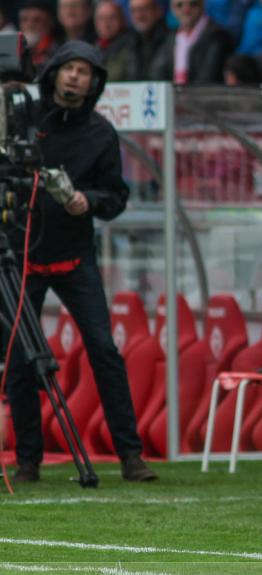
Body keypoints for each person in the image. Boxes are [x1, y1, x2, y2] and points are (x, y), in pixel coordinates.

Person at [6, 41, 157, 484]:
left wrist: (85, 201)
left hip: (75, 259)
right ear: (52, 72)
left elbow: (117, 198)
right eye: (69, 68)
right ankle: (27, 460)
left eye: (85, 72)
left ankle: (130, 455)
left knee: (104, 352)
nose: (75, 77)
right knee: (19, 359)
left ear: (95, 83)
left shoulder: (101, 133)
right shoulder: (19, 119)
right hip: (19, 259)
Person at [157, 0, 234, 84]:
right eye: (179, 5)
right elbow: (158, 72)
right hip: (174, 93)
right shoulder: (170, 37)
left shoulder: (218, 37)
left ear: (203, 5)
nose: (186, 10)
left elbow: (208, 78)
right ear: (172, 9)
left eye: (193, 4)